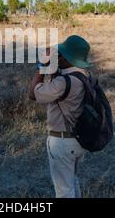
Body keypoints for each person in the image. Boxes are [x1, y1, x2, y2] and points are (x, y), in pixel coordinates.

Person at [29, 35, 92, 198]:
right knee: (71, 181)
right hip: (79, 139)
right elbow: (62, 74)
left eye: (61, 54)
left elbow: (32, 94)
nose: (59, 56)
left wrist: (42, 65)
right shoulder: (84, 74)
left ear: (68, 58)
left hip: (62, 142)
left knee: (64, 191)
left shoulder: (63, 83)